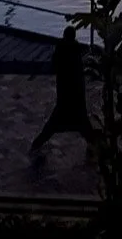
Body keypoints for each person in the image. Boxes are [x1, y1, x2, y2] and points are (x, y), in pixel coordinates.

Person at [30, 26, 92, 157]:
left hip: (64, 94)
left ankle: (37, 144)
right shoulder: (76, 51)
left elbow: (55, 65)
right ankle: (95, 146)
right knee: (83, 124)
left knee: (53, 124)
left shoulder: (61, 50)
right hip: (76, 95)